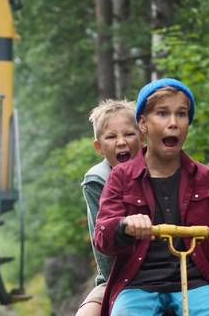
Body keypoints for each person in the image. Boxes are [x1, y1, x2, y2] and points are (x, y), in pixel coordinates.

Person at [94, 78, 209, 316]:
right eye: (163, 114)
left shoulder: (204, 177)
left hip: (195, 283)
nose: (174, 123)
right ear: (143, 124)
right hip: (137, 285)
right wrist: (124, 226)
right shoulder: (121, 177)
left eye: (182, 114)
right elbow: (103, 237)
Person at [77, 99, 142, 316]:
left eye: (129, 134)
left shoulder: (157, 169)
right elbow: (102, 246)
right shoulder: (97, 180)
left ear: (142, 137)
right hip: (115, 274)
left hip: (162, 273)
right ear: (99, 147)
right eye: (111, 137)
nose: (121, 142)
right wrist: (118, 285)